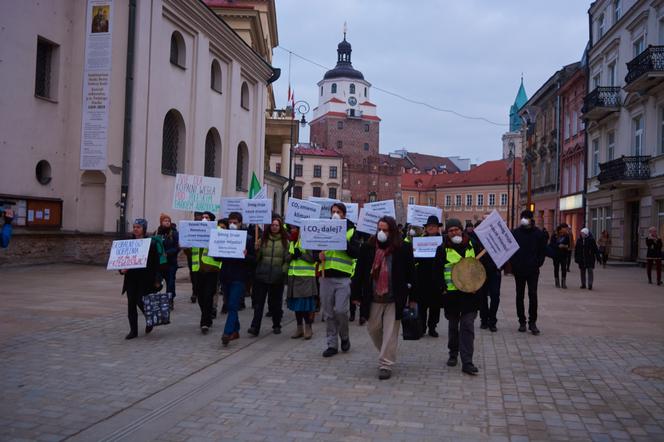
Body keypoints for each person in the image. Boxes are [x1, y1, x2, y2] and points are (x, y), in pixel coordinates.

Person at [352, 216, 416, 380]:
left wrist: (413, 297)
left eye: (385, 230)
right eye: (379, 229)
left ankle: (385, 364)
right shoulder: (368, 247)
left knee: (390, 332)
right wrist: (356, 294)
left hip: (394, 298)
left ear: (393, 231)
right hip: (373, 297)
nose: (381, 232)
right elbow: (359, 272)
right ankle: (387, 351)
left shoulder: (403, 248)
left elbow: (411, 274)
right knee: (373, 329)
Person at [435, 218, 481, 376]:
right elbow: (438, 272)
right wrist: (443, 290)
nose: (454, 232)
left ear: (461, 230)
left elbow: (481, 269)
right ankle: (453, 353)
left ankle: (467, 362)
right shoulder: (442, 250)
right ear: (447, 233)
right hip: (452, 295)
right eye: (451, 230)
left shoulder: (473, 245)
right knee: (454, 327)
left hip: (470, 295)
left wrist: (478, 286)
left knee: (467, 326)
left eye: (456, 229)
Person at [318, 202, 361, 357]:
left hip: (343, 277)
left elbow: (355, 252)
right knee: (329, 313)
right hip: (326, 276)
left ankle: (344, 336)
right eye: (333, 211)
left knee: (341, 311)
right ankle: (332, 344)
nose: (335, 214)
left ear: (344, 214)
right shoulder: (324, 227)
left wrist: (342, 238)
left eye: (338, 212)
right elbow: (316, 246)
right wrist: (319, 256)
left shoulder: (350, 231)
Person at [248, 216, 289, 336]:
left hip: (277, 276)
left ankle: (276, 324)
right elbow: (257, 258)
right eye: (272, 225)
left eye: (276, 225)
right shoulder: (262, 240)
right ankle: (255, 327)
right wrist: (256, 249)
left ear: (280, 227)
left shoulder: (285, 242)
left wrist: (283, 271)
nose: (274, 227)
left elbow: (287, 259)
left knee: (275, 303)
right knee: (259, 303)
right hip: (262, 275)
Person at [120, 219, 160, 340]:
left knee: (140, 301)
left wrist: (157, 279)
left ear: (144, 229)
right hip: (131, 278)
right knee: (131, 303)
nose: (135, 229)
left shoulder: (150, 244)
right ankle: (133, 330)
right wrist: (122, 270)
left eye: (138, 227)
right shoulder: (128, 244)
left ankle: (150, 319)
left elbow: (156, 263)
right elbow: (122, 260)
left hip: (145, 278)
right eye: (134, 227)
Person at [220, 212, 255, 346]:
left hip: (239, 277)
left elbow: (253, 259)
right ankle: (236, 330)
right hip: (225, 276)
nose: (232, 225)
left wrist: (246, 255)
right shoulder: (223, 236)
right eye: (230, 222)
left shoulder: (248, 238)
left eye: (235, 222)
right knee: (230, 304)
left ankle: (227, 333)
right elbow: (217, 257)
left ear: (240, 223)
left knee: (233, 305)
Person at [509, 210, 546, 335]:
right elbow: (511, 250)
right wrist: (514, 264)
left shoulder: (538, 234)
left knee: (533, 295)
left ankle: (532, 322)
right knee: (519, 296)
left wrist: (538, 262)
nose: (524, 219)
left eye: (526, 217)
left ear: (531, 219)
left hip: (533, 270)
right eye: (522, 217)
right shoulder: (515, 233)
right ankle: (522, 322)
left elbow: (542, 251)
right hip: (519, 269)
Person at [191, 211, 222, 334]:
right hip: (197, 269)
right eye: (202, 217)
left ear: (212, 220)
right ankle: (207, 316)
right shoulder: (194, 230)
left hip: (211, 269)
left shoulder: (217, 231)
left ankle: (204, 322)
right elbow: (190, 249)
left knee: (209, 295)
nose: (204, 219)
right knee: (200, 296)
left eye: (207, 217)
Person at [287, 225, 318, 339]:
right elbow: (286, 258)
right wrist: (291, 256)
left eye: (294, 228)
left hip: (305, 278)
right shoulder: (291, 242)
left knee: (304, 306)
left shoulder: (307, 241)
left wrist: (300, 254)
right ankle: (299, 328)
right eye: (291, 228)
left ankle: (308, 327)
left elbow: (312, 258)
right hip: (294, 277)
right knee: (296, 307)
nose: (292, 230)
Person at [473, 215, 501, 333]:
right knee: (482, 297)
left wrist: (501, 265)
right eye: (483, 220)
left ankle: (492, 320)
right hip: (480, 271)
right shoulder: (476, 236)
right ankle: (484, 320)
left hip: (494, 270)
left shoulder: (497, 235)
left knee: (495, 296)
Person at [415, 215, 442, 337]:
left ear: (438, 228)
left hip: (436, 278)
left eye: (434, 226)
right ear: (426, 228)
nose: (431, 228)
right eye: (429, 226)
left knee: (435, 305)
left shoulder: (442, 241)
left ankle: (432, 326)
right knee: (422, 304)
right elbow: (414, 258)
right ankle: (421, 327)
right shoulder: (420, 240)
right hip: (422, 276)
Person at [155, 213, 179, 309]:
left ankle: (170, 300)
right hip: (160, 263)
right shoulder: (157, 232)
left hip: (171, 263)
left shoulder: (174, 233)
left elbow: (177, 247)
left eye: (168, 221)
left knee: (170, 283)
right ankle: (155, 300)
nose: (167, 222)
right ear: (161, 222)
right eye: (165, 221)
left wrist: (168, 253)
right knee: (156, 282)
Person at [550, 224, 571, 289]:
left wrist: (565, 246)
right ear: (561, 228)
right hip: (556, 255)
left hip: (564, 255)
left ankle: (563, 283)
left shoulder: (566, 236)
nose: (566, 229)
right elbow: (551, 245)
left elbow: (568, 245)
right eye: (565, 228)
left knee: (564, 268)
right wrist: (558, 246)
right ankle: (557, 282)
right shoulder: (554, 236)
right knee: (556, 268)